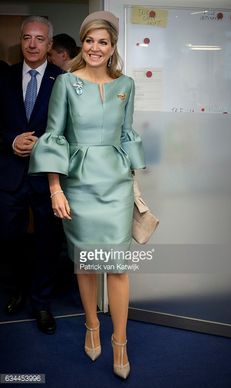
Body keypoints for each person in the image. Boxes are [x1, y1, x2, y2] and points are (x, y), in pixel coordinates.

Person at [29, 10, 145, 378]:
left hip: (116, 185)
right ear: (84, 44)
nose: (96, 48)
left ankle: (120, 341)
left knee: (118, 267)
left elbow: (127, 134)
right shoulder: (65, 83)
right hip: (77, 185)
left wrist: (134, 182)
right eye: (90, 41)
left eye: (104, 42)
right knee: (85, 261)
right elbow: (54, 136)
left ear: (112, 48)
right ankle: (92, 324)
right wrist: (54, 189)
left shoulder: (126, 83)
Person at [0, 16, 65, 334]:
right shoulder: (3, 78)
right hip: (9, 175)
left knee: (47, 243)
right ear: (20, 41)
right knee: (8, 239)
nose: (32, 44)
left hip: (47, 177)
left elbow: (70, 130)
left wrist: (45, 144)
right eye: (27, 37)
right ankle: (16, 290)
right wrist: (12, 140)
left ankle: (41, 303)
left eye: (40, 39)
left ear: (50, 44)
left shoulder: (63, 80)